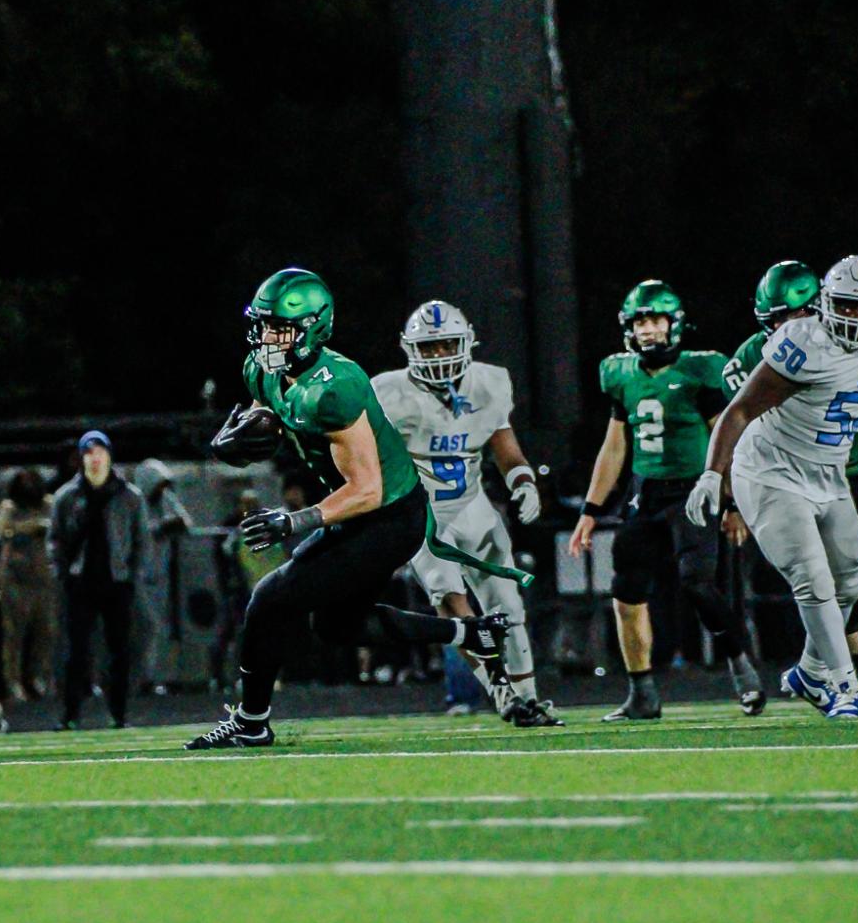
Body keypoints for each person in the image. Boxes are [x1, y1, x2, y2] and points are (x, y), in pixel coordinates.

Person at [188, 267, 504, 750]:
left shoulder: (336, 387)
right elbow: (267, 409)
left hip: (391, 516)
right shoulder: (263, 367)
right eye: (264, 325)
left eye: (281, 328)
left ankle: (251, 721)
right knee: (336, 626)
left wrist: (293, 520)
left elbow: (367, 489)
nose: (267, 337)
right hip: (361, 510)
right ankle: (469, 632)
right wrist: (241, 433)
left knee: (269, 600)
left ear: (313, 328)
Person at [687, 255, 858, 718]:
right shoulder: (803, 342)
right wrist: (711, 475)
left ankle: (809, 672)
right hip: (770, 471)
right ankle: (843, 689)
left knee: (849, 582)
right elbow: (738, 410)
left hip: (828, 472)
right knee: (813, 578)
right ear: (825, 303)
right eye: (848, 306)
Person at [569, 279, 764, 720]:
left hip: (694, 490)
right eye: (640, 321)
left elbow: (728, 436)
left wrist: (733, 503)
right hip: (645, 493)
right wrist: (591, 510)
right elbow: (614, 446)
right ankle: (642, 692)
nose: (648, 330)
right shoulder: (620, 374)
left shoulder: (701, 369)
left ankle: (740, 664)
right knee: (626, 591)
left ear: (674, 324)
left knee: (697, 581)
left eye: (656, 320)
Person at [372, 299, 559, 726]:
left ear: (466, 343)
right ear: (411, 350)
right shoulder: (388, 392)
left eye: (446, 345)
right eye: (430, 347)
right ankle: (499, 689)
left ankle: (528, 696)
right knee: (450, 599)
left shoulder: (488, 382)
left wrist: (524, 480)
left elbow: (505, 446)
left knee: (508, 604)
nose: (439, 356)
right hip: (422, 511)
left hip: (474, 505)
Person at [48, 430, 147, 729]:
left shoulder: (129, 495)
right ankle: (70, 714)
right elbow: (55, 539)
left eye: (100, 451)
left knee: (120, 650)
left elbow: (141, 538)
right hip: (81, 580)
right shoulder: (67, 495)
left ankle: (119, 713)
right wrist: (62, 573)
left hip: (117, 580)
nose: (95, 458)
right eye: (89, 452)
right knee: (76, 651)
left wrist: (133, 574)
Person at [0, 468, 56, 700]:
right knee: (14, 634)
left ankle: (38, 678)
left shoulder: (49, 503)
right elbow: (4, 530)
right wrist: (31, 527)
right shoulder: (9, 507)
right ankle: (13, 681)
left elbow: (55, 526)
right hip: (14, 577)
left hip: (43, 577)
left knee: (45, 631)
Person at [132, 457, 192, 693]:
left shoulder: (165, 499)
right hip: (137, 575)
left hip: (160, 575)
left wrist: (166, 524)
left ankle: (154, 677)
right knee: (145, 628)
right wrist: (162, 526)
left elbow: (183, 522)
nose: (161, 489)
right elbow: (142, 532)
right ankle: (140, 677)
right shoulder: (135, 501)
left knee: (159, 628)